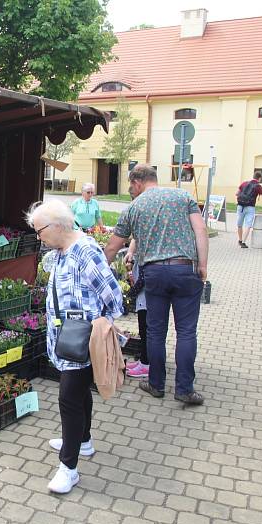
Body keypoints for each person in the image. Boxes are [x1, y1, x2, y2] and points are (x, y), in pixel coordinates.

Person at [25, 198, 123, 494]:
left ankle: (68, 467)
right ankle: (83, 441)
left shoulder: (85, 250)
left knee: (69, 399)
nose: (37, 237)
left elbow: (113, 296)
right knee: (79, 394)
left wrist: (101, 326)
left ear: (56, 227)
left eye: (39, 231)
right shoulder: (61, 249)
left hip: (81, 338)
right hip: (66, 337)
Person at [103, 164, 209, 405]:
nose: (131, 190)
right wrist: (202, 265)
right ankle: (184, 389)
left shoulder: (135, 206)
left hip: (155, 273)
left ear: (138, 182)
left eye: (131, 186)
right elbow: (200, 230)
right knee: (186, 332)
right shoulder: (183, 196)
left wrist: (97, 273)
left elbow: (112, 246)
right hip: (185, 269)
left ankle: (156, 384)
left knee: (156, 331)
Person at [124, 241, 149, 379]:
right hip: (143, 298)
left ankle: (146, 365)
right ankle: (142, 361)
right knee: (143, 331)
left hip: (147, 299)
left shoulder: (148, 250)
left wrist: (130, 293)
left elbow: (143, 279)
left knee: (146, 332)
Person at [235, 171, 262, 248]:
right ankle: (243, 242)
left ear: (253, 176)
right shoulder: (258, 186)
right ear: (259, 178)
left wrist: (242, 197)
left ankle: (240, 240)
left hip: (240, 206)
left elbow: (236, 193)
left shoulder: (244, 183)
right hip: (250, 207)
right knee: (248, 225)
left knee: (239, 224)